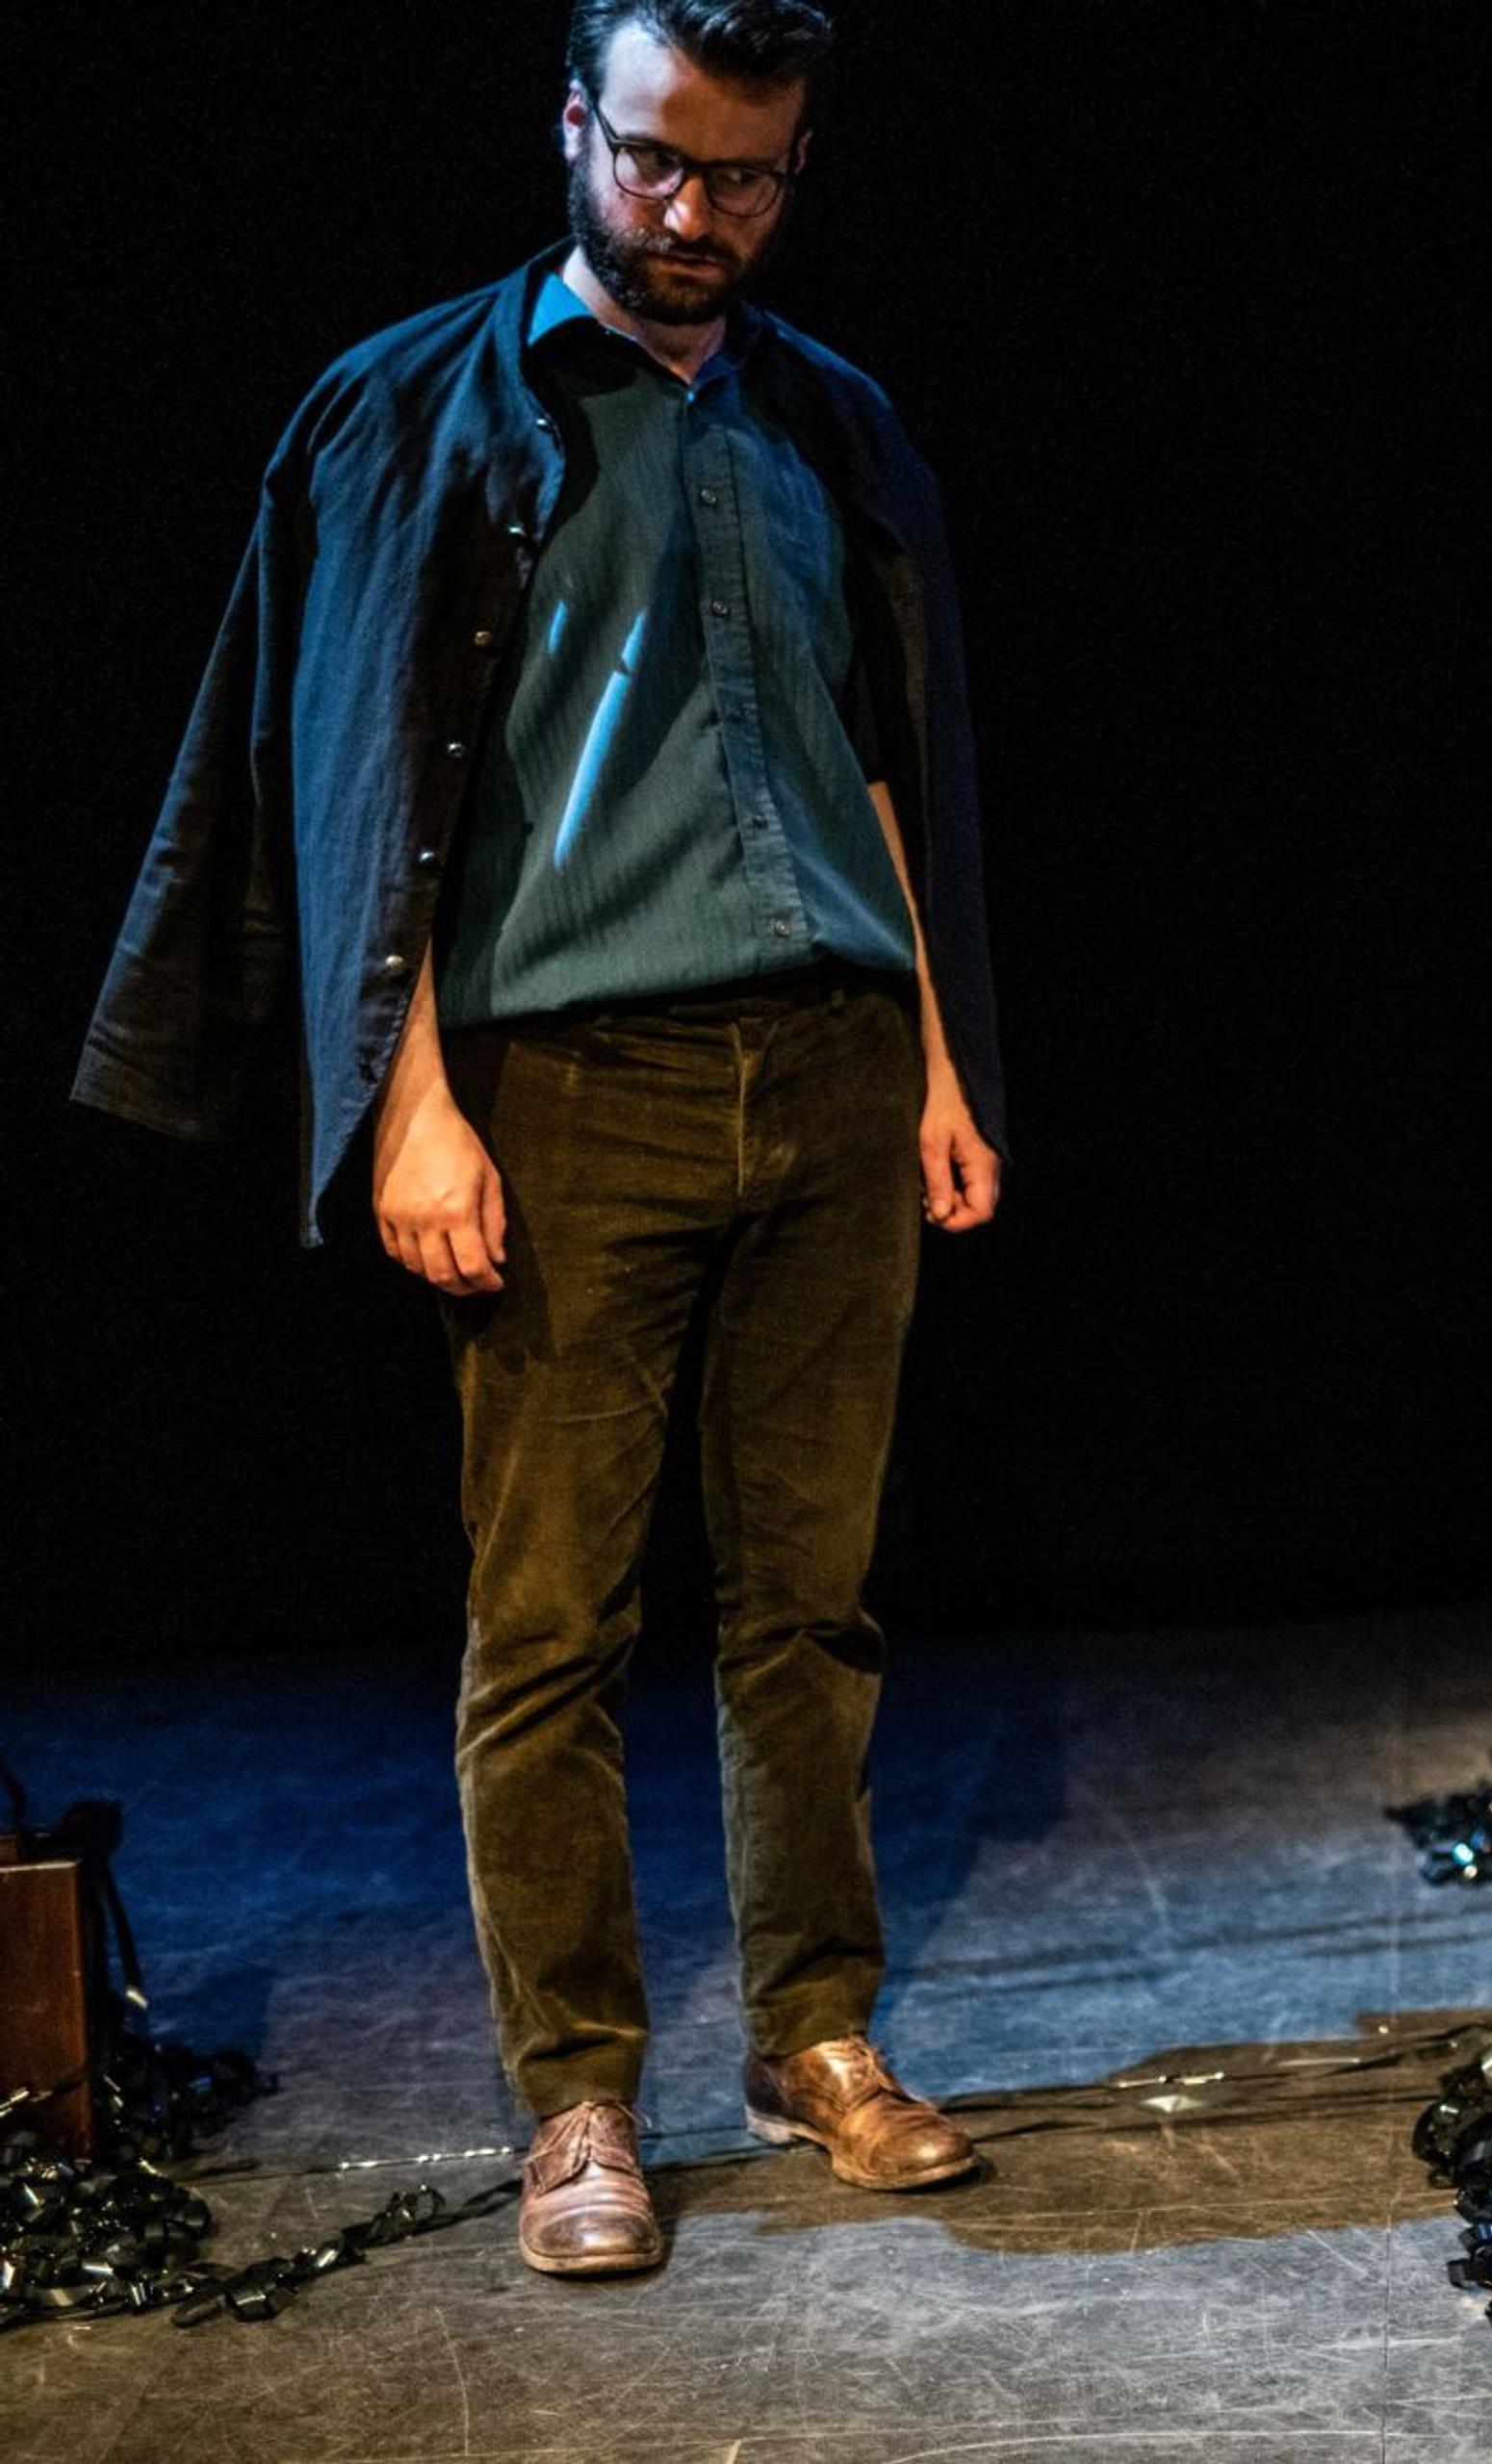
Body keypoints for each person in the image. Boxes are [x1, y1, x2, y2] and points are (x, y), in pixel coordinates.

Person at [72, 0, 1006, 2275]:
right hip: (569, 1084)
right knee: (553, 1620)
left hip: (835, 1057)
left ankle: (817, 2036)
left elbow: (887, 756)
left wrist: (946, 1063)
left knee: (815, 1598)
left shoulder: (829, 420)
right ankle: (578, 2100)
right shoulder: (410, 408)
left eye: (753, 176)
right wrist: (409, 1103)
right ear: (575, 128)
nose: (701, 218)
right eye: (664, 164)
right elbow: (339, 782)